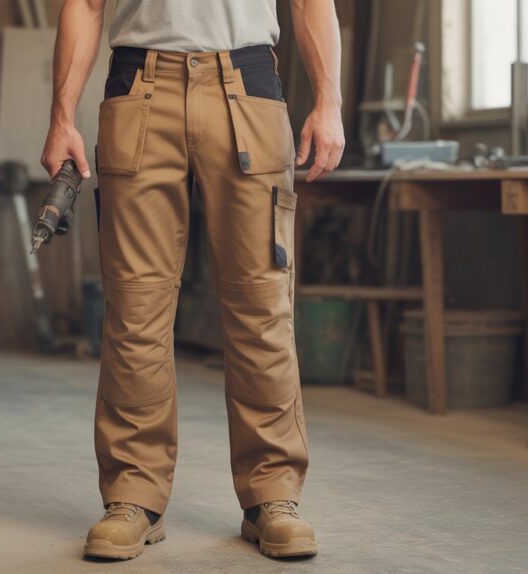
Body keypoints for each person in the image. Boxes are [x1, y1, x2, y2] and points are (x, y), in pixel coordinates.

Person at [41, 0, 345, 560]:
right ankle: (133, 495)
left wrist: (329, 101)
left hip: (248, 86)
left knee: (262, 306)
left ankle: (272, 495)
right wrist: (62, 117)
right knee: (136, 310)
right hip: (138, 86)